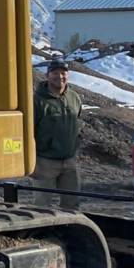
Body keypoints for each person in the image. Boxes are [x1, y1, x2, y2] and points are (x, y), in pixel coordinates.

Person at [32, 59, 82, 210]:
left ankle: (68, 232)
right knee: (42, 205)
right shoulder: (37, 100)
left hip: (70, 161)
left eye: (63, 73)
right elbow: (29, 131)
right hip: (44, 162)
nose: (59, 76)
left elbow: (78, 120)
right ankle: (40, 234)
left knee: (72, 204)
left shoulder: (74, 97)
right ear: (47, 75)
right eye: (55, 73)